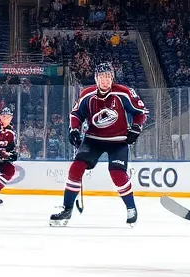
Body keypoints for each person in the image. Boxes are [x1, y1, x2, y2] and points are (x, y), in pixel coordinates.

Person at [49, 62, 147, 227]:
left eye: (108, 77)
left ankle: (131, 208)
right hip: (93, 139)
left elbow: (141, 113)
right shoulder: (87, 94)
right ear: (96, 78)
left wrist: (136, 128)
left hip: (118, 141)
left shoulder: (124, 92)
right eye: (102, 77)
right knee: (75, 169)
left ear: (112, 78)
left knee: (117, 174)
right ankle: (67, 209)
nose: (105, 80)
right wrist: (74, 129)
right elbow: (76, 114)